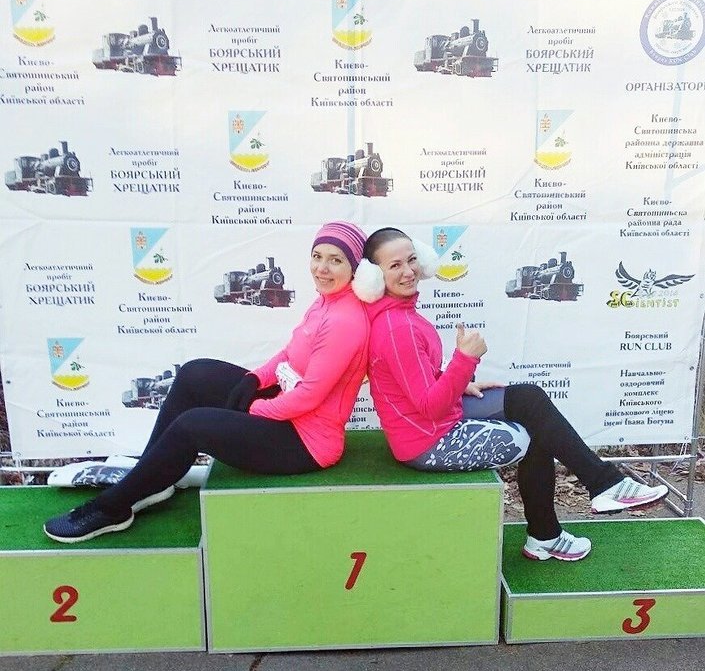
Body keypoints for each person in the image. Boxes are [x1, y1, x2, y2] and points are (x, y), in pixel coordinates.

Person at [352, 227, 667, 562]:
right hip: (427, 441)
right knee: (535, 435)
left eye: (412, 260)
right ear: (374, 277)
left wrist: (459, 382)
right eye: (395, 265)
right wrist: (464, 360)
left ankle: (597, 490)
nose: (408, 271)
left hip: (431, 422)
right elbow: (430, 407)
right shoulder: (396, 327)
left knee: (529, 399)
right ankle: (557, 525)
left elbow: (416, 382)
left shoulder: (400, 315)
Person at [44, 222, 370, 543]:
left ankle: (112, 509)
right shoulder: (326, 301)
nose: (322, 268)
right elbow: (289, 354)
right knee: (194, 374)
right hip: (288, 411)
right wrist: (254, 379)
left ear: (355, 268)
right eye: (317, 256)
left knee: (192, 426)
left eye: (335, 260)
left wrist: (254, 409)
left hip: (305, 442)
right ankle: (150, 480)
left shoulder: (345, 320)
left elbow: (310, 396)